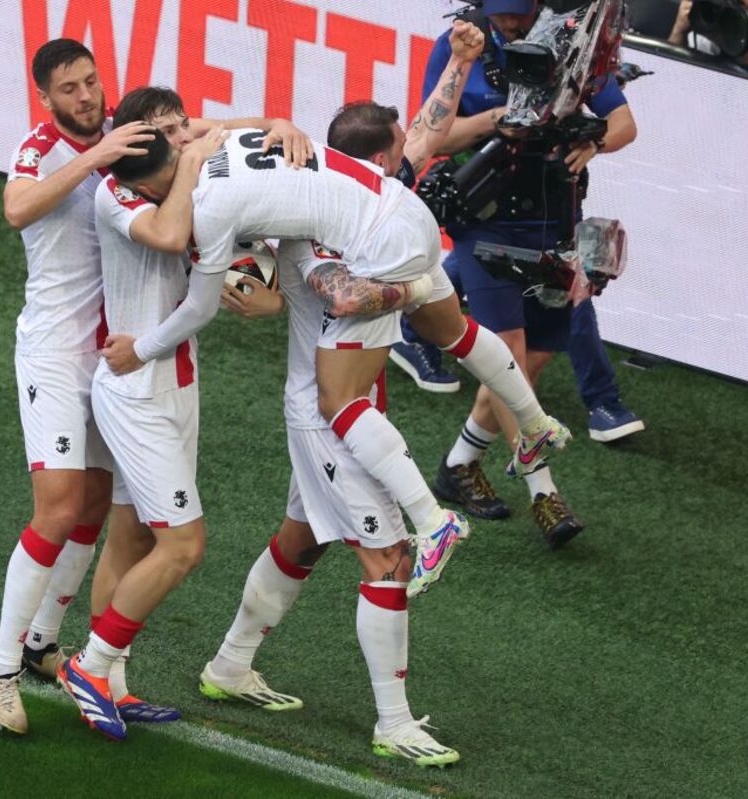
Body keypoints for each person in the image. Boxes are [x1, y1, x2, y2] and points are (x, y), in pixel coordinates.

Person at [105, 90, 573, 599]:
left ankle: (433, 522)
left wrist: (142, 349)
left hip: (377, 246)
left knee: (337, 398)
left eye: (151, 193)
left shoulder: (208, 203)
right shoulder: (224, 136)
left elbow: (199, 308)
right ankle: (535, 425)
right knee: (454, 332)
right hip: (402, 209)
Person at [49, 87, 311, 740]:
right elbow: (169, 235)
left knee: (133, 536)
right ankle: (89, 664)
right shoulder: (119, 190)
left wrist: (278, 123)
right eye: (166, 131)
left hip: (175, 381)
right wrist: (198, 162)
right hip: (136, 388)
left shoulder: (181, 150)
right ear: (137, 140)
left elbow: (233, 127)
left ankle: (111, 683)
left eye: (181, 126)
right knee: (183, 546)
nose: (184, 136)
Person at [200, 237, 461, 767]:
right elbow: (345, 299)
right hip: (332, 426)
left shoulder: (359, 222)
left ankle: (230, 665)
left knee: (301, 541)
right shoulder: (316, 233)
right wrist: (417, 285)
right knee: (388, 561)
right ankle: (394, 723)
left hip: (347, 417)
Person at [0, 38, 158, 736]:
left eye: (91, 82)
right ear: (47, 99)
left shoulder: (126, 129)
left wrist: (279, 127)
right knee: (56, 508)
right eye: (71, 89)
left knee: (93, 504)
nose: (87, 97)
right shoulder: (38, 148)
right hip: (54, 354)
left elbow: (191, 132)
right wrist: (93, 158)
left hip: (112, 360)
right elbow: (17, 209)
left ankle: (40, 643)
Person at [420, 0, 640, 546]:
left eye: (522, 12)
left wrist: (593, 140)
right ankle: (544, 492)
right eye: (505, 14)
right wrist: (497, 121)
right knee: (508, 360)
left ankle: (460, 463)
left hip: (555, 221)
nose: (514, 24)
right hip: (485, 222)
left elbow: (625, 123)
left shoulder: (569, 43)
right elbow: (433, 134)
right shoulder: (463, 46)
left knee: (531, 362)